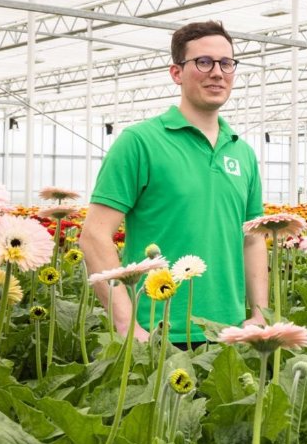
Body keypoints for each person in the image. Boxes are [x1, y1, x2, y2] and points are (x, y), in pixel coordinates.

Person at [80, 21, 268, 346]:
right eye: (203, 62)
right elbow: (94, 235)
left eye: (226, 63)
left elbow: (252, 239)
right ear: (176, 73)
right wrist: (127, 325)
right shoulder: (140, 142)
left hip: (231, 335)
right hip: (158, 333)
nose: (217, 72)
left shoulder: (243, 151)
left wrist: (261, 312)